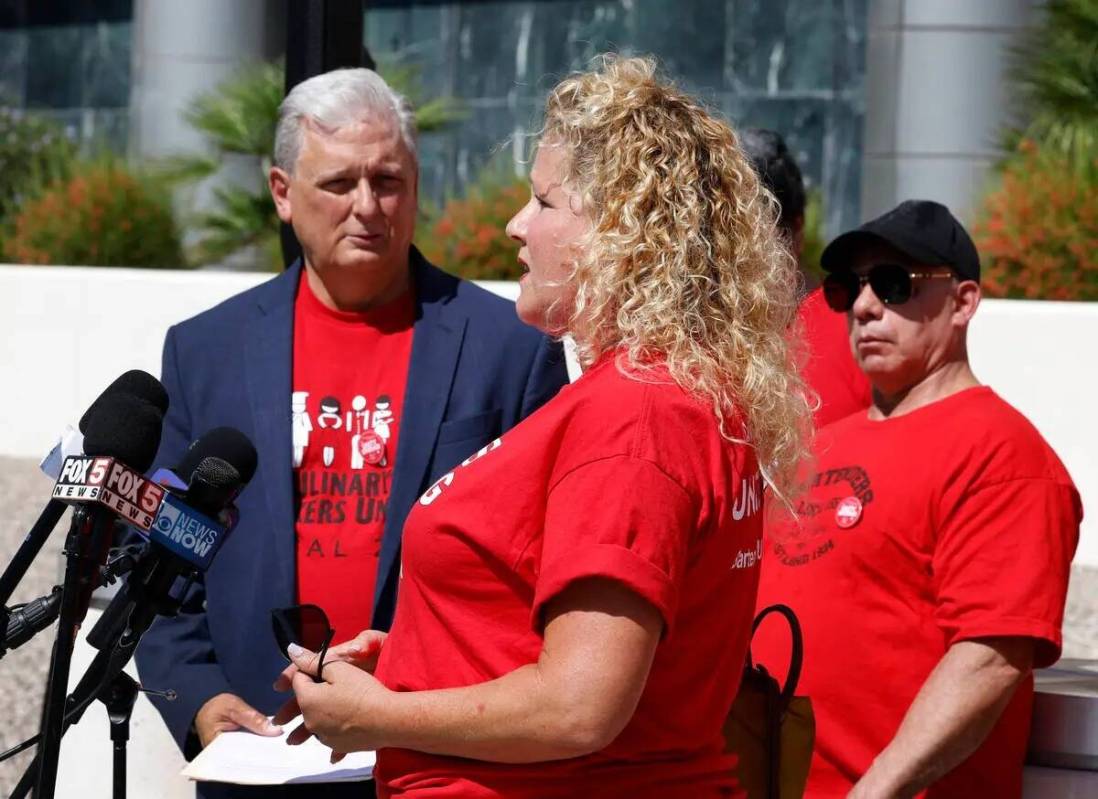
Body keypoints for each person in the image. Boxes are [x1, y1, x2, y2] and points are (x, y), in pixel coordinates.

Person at [272, 55, 812, 797]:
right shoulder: (668, 393)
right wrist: (424, 653)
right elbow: (591, 644)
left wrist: (383, 714)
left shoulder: (635, 414)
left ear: (620, 232)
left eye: (544, 201)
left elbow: (578, 706)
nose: (515, 225)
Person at [135, 68, 569, 798]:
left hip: (434, 758)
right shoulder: (206, 352)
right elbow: (157, 571)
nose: (368, 207)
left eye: (389, 180)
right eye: (339, 183)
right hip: (260, 756)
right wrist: (200, 700)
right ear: (282, 192)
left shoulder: (509, 349)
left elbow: (541, 568)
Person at [753, 200, 1082, 798]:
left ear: (963, 303)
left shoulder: (1003, 454)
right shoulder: (812, 447)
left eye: (893, 283)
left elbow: (988, 656)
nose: (863, 306)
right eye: (849, 287)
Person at [740, 128, 870, 426]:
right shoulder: (694, 335)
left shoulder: (862, 328)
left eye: (752, 235)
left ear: (795, 232)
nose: (734, 254)